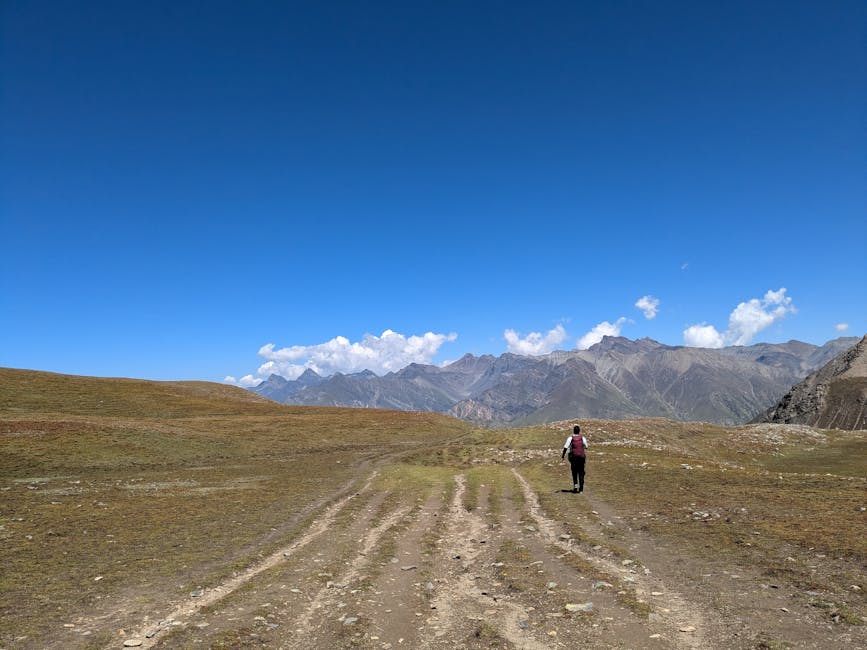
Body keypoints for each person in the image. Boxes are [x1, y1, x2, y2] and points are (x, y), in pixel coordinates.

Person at [561, 424, 588, 493]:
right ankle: (581, 489)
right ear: (579, 431)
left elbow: (565, 447)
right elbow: (586, 446)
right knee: (581, 472)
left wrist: (563, 456)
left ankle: (575, 487)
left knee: (574, 472)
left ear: (573, 431)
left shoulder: (570, 438)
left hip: (574, 459)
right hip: (581, 458)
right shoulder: (582, 438)